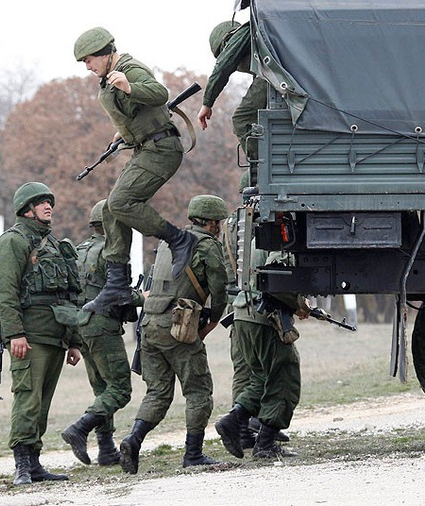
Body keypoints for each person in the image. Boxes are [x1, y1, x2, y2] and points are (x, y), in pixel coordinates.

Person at [73, 26, 198, 316]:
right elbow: (131, 112)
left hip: (162, 149)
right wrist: (122, 133)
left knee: (121, 202)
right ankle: (117, 283)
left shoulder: (129, 69)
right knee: (110, 208)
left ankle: (179, 239)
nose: (88, 67)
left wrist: (129, 86)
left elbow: (158, 93)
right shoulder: (107, 80)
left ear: (106, 54)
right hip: (145, 148)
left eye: (90, 60)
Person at [117, 195, 229, 475]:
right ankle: (193, 454)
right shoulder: (207, 245)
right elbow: (220, 288)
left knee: (157, 392)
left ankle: (133, 440)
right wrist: (212, 321)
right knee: (198, 390)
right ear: (213, 222)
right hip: (178, 325)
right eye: (221, 223)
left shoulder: (171, 241)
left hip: (150, 324)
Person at [0, 182, 83, 485]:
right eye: (41, 202)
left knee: (42, 403)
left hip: (55, 335)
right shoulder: (13, 242)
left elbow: (69, 294)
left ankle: (35, 463)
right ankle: (22, 467)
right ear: (26, 209)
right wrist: (15, 333)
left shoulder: (53, 244)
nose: (48, 207)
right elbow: (4, 293)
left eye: (49, 202)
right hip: (29, 338)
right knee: (27, 400)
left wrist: (73, 341)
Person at [214, 187, 309, 460]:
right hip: (265, 317)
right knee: (285, 377)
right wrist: (300, 306)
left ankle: (234, 419)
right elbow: (279, 278)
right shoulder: (275, 231)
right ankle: (265, 444)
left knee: (260, 377)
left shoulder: (240, 233)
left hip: (242, 314)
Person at [61, 199, 140, 466]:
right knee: (119, 389)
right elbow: (120, 294)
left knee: (103, 390)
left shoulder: (80, 251)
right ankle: (80, 429)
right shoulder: (111, 251)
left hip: (81, 326)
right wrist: (144, 297)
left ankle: (106, 449)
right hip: (103, 326)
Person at [220, 172, 291, 451]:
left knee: (245, 370)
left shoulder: (228, 226)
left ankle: (247, 430)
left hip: (235, 305)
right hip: (257, 304)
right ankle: (253, 427)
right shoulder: (262, 222)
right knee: (268, 370)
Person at [197, 20, 268, 161]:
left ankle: (262, 168)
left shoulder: (242, 34)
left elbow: (223, 66)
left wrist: (207, 103)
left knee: (242, 118)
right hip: (280, 74)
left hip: (275, 75)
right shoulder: (258, 48)